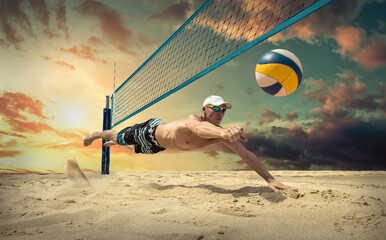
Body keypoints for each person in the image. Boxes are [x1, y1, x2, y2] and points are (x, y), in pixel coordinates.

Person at [84, 95, 298, 193]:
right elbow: (198, 130)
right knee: (117, 136)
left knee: (133, 150)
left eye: (224, 109)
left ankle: (114, 143)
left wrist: (270, 179)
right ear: (204, 110)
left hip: (159, 146)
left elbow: (248, 156)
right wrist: (224, 134)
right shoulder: (193, 120)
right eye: (216, 108)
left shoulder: (222, 134)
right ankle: (98, 134)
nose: (221, 112)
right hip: (150, 130)